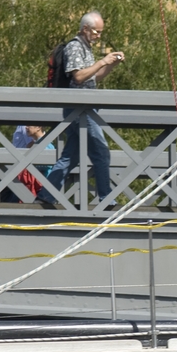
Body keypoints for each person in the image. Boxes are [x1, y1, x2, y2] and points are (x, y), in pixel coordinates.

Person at [41, 11, 124, 208]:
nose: (98, 36)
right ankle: (106, 198)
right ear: (85, 29)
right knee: (101, 151)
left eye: (101, 32)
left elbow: (93, 78)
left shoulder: (86, 48)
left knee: (71, 155)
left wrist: (110, 64)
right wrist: (102, 61)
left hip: (83, 109)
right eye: (96, 32)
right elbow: (78, 77)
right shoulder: (75, 47)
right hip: (79, 110)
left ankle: (46, 194)